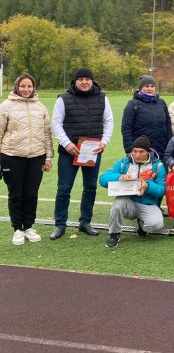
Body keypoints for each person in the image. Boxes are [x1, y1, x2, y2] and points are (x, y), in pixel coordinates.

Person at [50, 67, 113, 240]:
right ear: (75, 81)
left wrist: (104, 142)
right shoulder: (63, 99)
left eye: (87, 79)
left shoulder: (102, 98)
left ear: (92, 81)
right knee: (64, 189)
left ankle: (85, 222)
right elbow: (56, 124)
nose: (84, 82)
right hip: (68, 152)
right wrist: (67, 144)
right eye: (81, 79)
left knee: (90, 188)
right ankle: (60, 224)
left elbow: (108, 122)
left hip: (92, 151)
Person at [0, 74, 53, 245]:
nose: (26, 89)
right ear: (16, 87)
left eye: (29, 86)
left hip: (36, 157)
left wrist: (48, 156)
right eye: (22, 86)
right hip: (11, 156)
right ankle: (17, 229)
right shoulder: (5, 106)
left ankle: (28, 227)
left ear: (33, 88)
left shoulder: (40, 107)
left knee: (31, 194)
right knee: (16, 194)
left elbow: (47, 134)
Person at [99, 136, 166, 248]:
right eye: (134, 151)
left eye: (141, 152)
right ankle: (114, 234)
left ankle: (142, 223)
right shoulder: (123, 163)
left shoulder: (158, 166)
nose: (137, 155)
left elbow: (161, 190)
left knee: (157, 225)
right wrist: (119, 177)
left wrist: (148, 185)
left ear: (148, 152)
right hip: (128, 201)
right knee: (117, 205)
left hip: (147, 204)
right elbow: (102, 179)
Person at [121, 75, 172, 156]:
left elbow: (168, 125)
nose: (150, 89)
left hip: (161, 150)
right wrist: (129, 150)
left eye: (152, 86)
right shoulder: (133, 104)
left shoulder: (161, 103)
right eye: (147, 86)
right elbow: (126, 128)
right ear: (141, 88)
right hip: (141, 152)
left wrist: (169, 146)